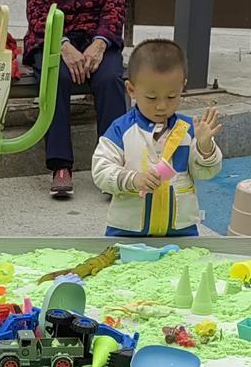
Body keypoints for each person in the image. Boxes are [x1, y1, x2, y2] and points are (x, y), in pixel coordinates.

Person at [24, 0, 126, 200]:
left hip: (97, 37)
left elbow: (116, 2)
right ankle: (60, 166)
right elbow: (37, 6)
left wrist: (100, 42)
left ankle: (112, 164)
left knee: (110, 78)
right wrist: (63, 44)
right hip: (54, 37)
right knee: (57, 77)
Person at [92, 37, 221, 237]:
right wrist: (133, 179)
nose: (162, 106)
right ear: (131, 90)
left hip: (181, 232)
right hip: (127, 232)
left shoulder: (189, 130)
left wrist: (205, 148)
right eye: (151, 97)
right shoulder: (121, 130)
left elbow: (205, 173)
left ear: (182, 87)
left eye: (171, 96)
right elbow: (101, 171)